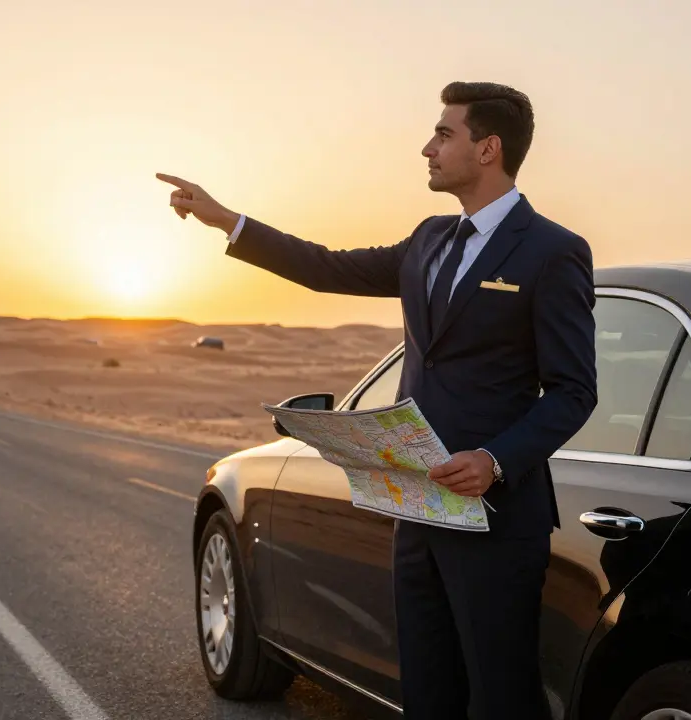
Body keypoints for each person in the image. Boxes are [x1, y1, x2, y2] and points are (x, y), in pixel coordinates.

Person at [158, 81, 597, 719]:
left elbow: (573, 391)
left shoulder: (553, 251)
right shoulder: (428, 240)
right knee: (425, 690)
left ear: (488, 149)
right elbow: (326, 267)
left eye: (444, 134)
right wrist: (227, 220)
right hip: (416, 509)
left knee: (502, 698)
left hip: (496, 517)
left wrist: (495, 460)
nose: (427, 147)